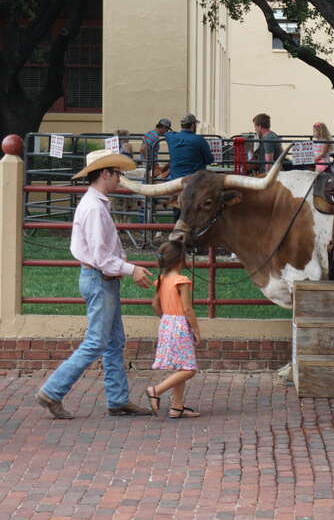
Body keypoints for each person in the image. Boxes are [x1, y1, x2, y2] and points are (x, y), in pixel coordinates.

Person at [35, 150, 154, 419]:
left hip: (101, 279)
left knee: (112, 341)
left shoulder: (96, 205)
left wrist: (124, 267)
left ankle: (118, 399)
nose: (120, 179)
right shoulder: (94, 208)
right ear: (105, 173)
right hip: (99, 278)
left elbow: (102, 255)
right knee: (98, 341)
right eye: (117, 173)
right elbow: (101, 257)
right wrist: (131, 268)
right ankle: (52, 391)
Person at [144, 240, 201, 418]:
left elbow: (155, 304)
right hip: (180, 325)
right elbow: (187, 309)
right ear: (180, 260)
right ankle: (156, 390)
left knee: (180, 365)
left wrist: (166, 318)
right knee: (189, 369)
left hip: (167, 322)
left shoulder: (162, 280)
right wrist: (197, 330)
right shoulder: (182, 281)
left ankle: (177, 407)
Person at [163, 114, 214, 220]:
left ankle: (177, 231)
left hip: (177, 184)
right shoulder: (199, 140)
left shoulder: (171, 137)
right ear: (193, 125)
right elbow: (210, 160)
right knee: (196, 213)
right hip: (195, 183)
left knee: (178, 212)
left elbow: (167, 133)